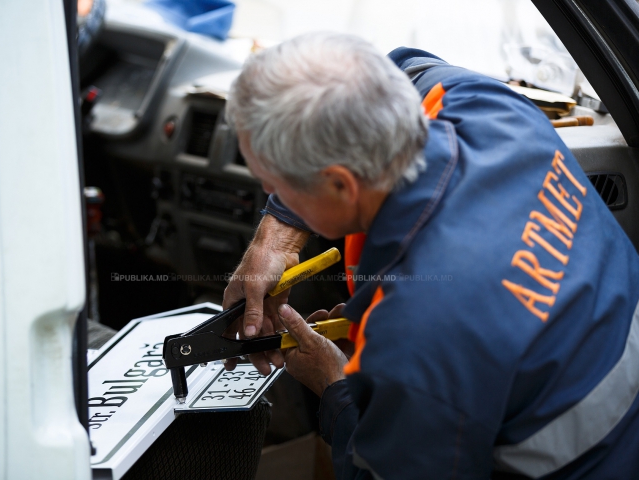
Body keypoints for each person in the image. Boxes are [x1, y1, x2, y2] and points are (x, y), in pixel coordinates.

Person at [223, 32, 639, 479]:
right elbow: (398, 65)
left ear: (341, 184)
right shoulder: (484, 105)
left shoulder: (416, 337)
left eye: (274, 184)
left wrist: (337, 388)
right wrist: (274, 242)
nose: (268, 195)